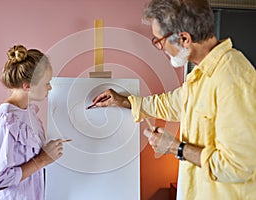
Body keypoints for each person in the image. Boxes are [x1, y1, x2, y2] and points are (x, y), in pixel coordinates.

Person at [92, 0, 256, 199]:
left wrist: (176, 147)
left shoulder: (233, 78)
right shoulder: (202, 74)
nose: (160, 47)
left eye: (159, 41)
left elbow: (239, 166)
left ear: (185, 38)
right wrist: (124, 101)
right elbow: (172, 103)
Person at [0, 45, 64, 200]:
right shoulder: (6, 120)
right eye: (46, 83)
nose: (50, 87)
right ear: (27, 86)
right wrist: (42, 160)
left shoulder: (30, 114)